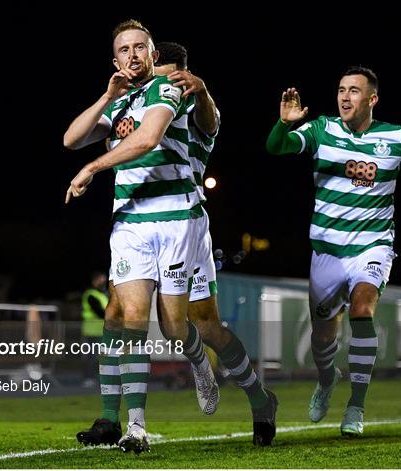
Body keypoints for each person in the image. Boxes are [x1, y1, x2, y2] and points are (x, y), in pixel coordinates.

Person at [75, 42, 277, 450]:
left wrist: (201, 91)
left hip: (185, 223)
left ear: (185, 76)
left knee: (198, 327)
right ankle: (111, 419)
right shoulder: (140, 98)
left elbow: (209, 120)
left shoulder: (187, 104)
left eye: (170, 77)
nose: (161, 82)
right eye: (156, 75)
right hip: (139, 222)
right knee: (118, 312)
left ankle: (254, 395)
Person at [266, 66, 401, 436]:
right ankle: (328, 380)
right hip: (326, 249)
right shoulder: (320, 129)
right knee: (323, 337)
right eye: (341, 89)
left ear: (371, 99)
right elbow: (276, 148)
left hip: (373, 245)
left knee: (362, 309)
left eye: (354, 91)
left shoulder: (396, 137)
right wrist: (284, 124)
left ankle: (356, 406)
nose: (344, 96)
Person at [63, 20, 217, 454]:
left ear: (152, 54)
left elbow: (148, 139)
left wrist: (94, 167)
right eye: (124, 50)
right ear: (115, 61)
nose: (132, 55)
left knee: (172, 326)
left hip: (174, 221)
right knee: (125, 318)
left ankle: (198, 358)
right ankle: (131, 425)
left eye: (139, 48)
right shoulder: (119, 101)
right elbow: (72, 138)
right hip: (129, 221)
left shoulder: (165, 90)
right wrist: (108, 96)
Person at [80, 272, 108, 387]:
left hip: (102, 330)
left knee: (101, 356)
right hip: (92, 330)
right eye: (101, 280)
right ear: (95, 281)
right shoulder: (91, 294)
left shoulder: (102, 295)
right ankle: (88, 378)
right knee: (92, 355)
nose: (103, 283)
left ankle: (96, 377)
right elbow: (100, 312)